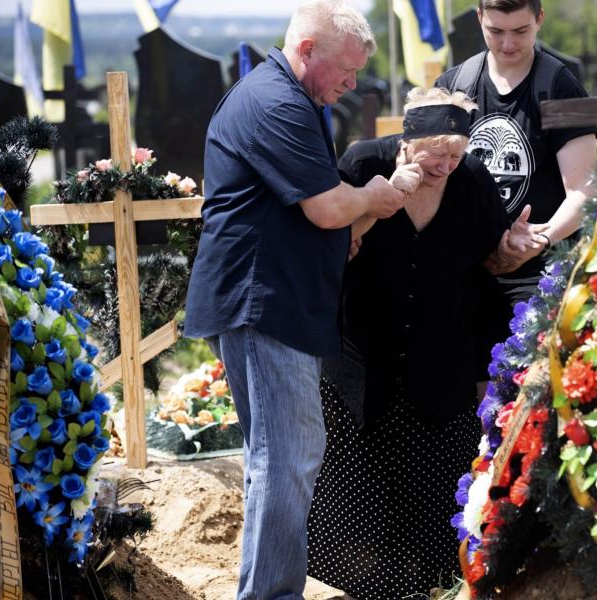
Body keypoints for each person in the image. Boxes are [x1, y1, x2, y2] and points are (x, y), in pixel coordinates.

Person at [182, 2, 405, 598]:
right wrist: (375, 196)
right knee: (289, 459)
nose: (352, 84)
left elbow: (304, 213)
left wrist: (338, 239)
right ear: (306, 50)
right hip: (265, 304)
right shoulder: (277, 101)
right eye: (346, 70)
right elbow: (328, 205)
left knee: (275, 460)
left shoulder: (295, 97)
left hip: (271, 298)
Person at [305, 87, 536, 600]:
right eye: (438, 157)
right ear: (408, 143)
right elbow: (327, 251)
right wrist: (382, 201)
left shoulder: (471, 178)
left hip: (441, 367)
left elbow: (492, 261)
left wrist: (511, 249)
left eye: (456, 155)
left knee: (434, 503)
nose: (448, 167)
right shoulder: (364, 163)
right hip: (362, 363)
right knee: (351, 497)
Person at [434, 0, 597, 383]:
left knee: (528, 395)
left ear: (539, 20)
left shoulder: (560, 86)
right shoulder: (454, 86)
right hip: (468, 270)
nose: (507, 43)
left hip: (536, 275)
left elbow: (584, 189)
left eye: (520, 31)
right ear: (479, 19)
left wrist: (537, 238)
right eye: (495, 31)